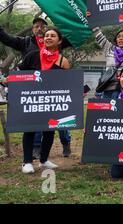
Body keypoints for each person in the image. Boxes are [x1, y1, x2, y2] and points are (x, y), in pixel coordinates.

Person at [0, 17, 72, 159]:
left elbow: (75, 33)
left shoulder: (58, 49)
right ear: (32, 29)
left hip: (55, 95)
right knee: (35, 124)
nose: (39, 29)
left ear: (58, 40)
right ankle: (35, 151)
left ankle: (65, 143)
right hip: (33, 93)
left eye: (43, 26)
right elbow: (6, 39)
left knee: (58, 124)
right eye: (36, 26)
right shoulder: (25, 43)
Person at [18, 28, 71, 174]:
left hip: (52, 102)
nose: (48, 38)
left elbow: (67, 84)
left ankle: (44, 160)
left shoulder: (63, 62)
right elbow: (20, 75)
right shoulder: (32, 56)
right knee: (30, 129)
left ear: (59, 40)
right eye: (46, 35)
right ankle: (27, 162)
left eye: (52, 36)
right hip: (32, 100)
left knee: (49, 130)